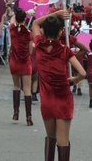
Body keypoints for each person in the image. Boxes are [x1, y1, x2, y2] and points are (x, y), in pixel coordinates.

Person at [32, 10, 86, 161]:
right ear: (60, 32)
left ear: (43, 31)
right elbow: (82, 73)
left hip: (47, 100)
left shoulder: (38, 45)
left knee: (50, 138)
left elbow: (36, 22)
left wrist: (56, 14)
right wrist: (74, 80)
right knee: (63, 141)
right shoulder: (65, 50)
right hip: (63, 99)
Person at [9, 8, 34, 126]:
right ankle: (28, 117)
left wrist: (25, 13)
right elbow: (30, 51)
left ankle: (15, 112)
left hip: (14, 61)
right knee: (27, 89)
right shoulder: (29, 34)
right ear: (25, 19)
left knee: (16, 86)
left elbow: (12, 19)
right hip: (25, 62)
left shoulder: (12, 29)